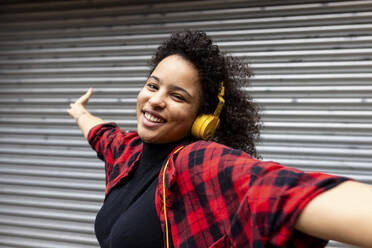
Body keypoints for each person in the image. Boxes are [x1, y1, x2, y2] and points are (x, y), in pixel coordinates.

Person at [67, 31, 372, 248]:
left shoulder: (195, 163)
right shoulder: (128, 152)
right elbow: (102, 134)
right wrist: (80, 112)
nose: (156, 100)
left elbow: (278, 191)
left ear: (204, 118)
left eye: (177, 96)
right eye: (152, 85)